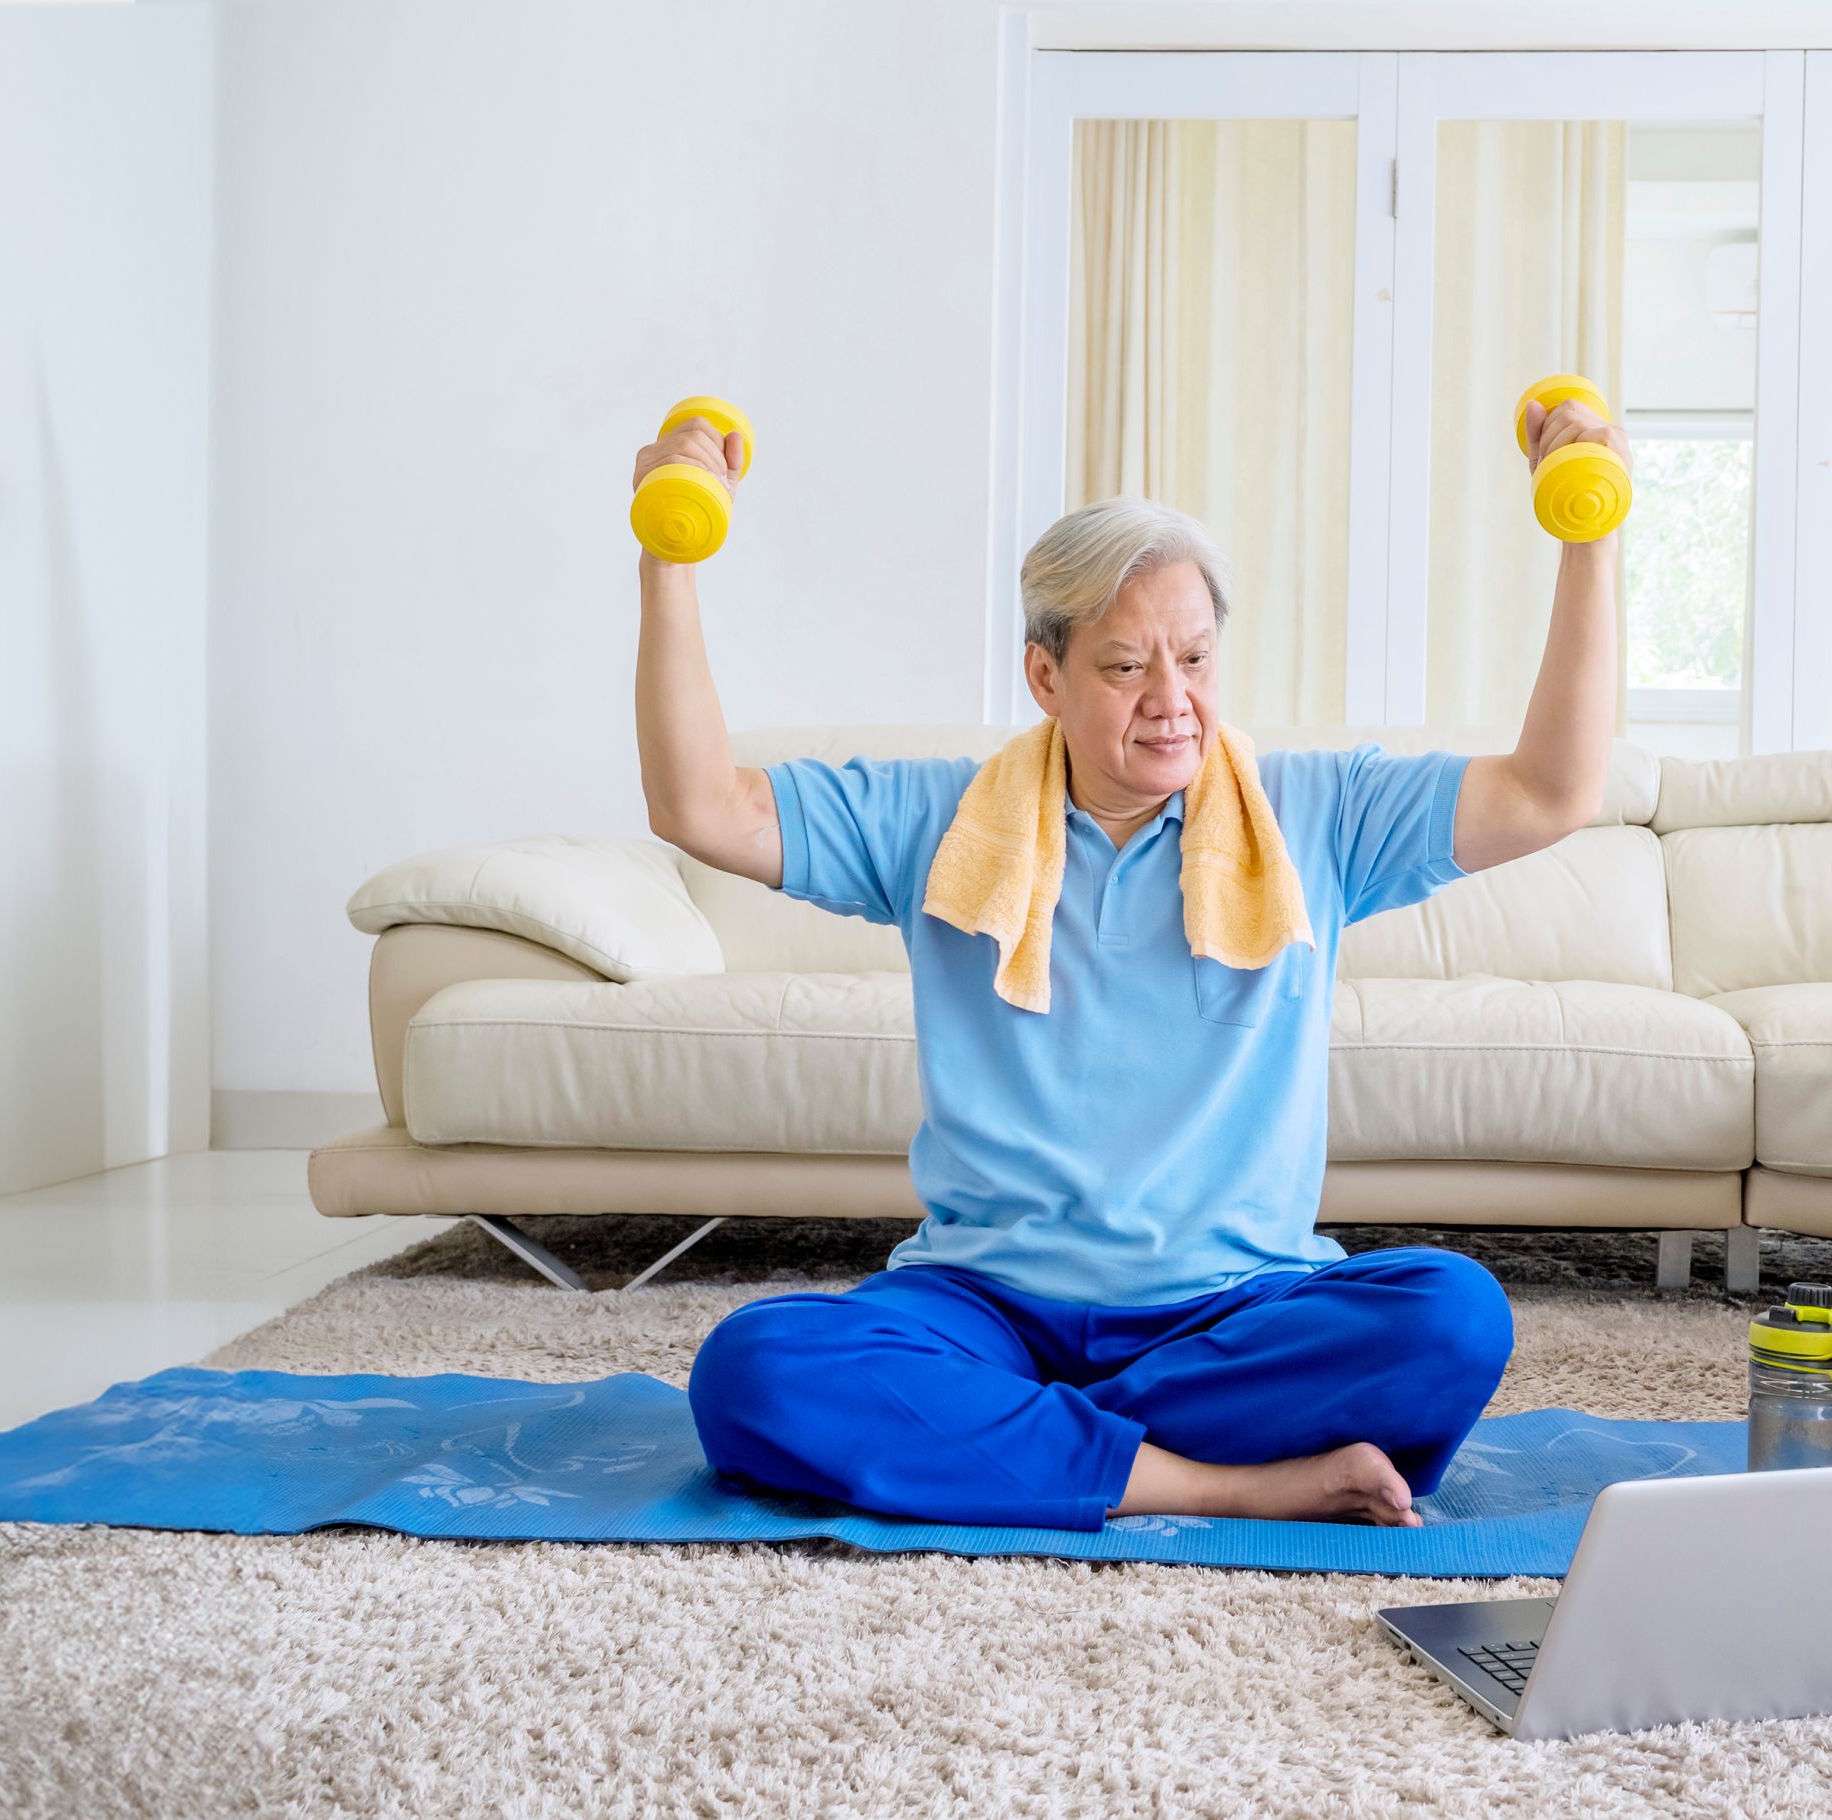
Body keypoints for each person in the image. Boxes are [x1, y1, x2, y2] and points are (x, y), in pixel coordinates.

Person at [629, 400, 1627, 1529]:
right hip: (981, 1302)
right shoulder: (941, 819)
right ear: (1045, 676)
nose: (1172, 699)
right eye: (1124, 665)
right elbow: (699, 802)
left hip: (1229, 1311)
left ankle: (1011, 1438)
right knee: (750, 1368)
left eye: (1195, 657)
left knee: (1451, 1315)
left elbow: (1551, 790)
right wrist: (669, 556)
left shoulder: (1319, 814)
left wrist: (1587, 535)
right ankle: (1223, 1482)